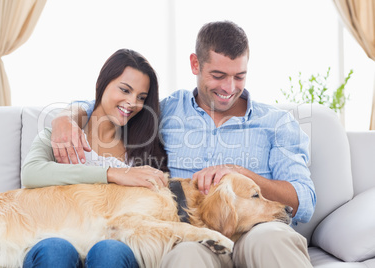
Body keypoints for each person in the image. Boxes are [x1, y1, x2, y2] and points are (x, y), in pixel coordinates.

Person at [51, 21, 316, 268]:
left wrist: (241, 173)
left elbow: (303, 200)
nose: (229, 87)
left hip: (257, 229)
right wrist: (66, 117)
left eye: (239, 76)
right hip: (193, 233)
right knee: (186, 254)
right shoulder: (167, 112)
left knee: (271, 239)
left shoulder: (276, 123)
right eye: (218, 75)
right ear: (195, 64)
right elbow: (113, 105)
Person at [21, 48, 168, 268]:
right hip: (56, 237)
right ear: (101, 84)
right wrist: (112, 174)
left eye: (141, 97)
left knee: (108, 250)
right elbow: (31, 174)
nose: (132, 102)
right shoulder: (62, 135)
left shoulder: (143, 151)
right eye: (125, 90)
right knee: (55, 249)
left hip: (115, 244)